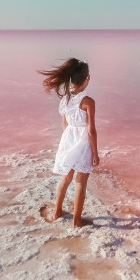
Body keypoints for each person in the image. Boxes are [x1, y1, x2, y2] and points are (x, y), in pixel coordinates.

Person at [37, 58, 100, 228]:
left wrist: (67, 140)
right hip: (83, 142)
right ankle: (77, 221)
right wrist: (95, 153)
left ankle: (57, 211)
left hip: (68, 138)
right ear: (87, 79)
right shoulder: (88, 102)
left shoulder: (65, 99)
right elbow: (91, 130)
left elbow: (64, 124)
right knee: (81, 181)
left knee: (66, 178)